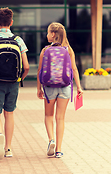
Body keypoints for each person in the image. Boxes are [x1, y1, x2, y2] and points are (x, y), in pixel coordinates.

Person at [0, 7, 30, 159]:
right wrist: (19, 79)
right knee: (9, 114)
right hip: (14, 83)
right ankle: (8, 148)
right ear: (11, 22)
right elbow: (27, 66)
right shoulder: (18, 40)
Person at [37, 22, 83, 158]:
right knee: (60, 118)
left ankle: (51, 139)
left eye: (47, 32)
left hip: (49, 87)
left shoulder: (45, 50)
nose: (46, 35)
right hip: (65, 87)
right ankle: (58, 150)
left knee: (48, 116)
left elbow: (40, 70)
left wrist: (39, 88)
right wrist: (79, 87)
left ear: (53, 34)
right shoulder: (68, 50)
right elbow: (74, 69)